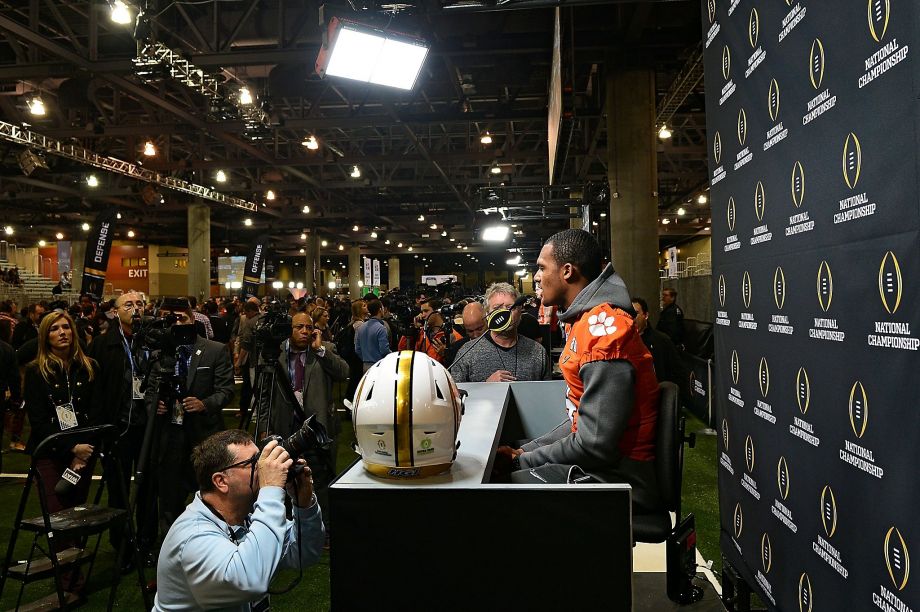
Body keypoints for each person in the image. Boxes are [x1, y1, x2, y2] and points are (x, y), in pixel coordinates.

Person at [500, 229, 659, 510]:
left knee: (499, 486)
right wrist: (524, 451)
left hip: (621, 477)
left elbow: (594, 444)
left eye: (541, 267)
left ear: (568, 272)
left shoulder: (603, 333)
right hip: (608, 465)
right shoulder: (586, 320)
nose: (536, 277)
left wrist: (519, 460)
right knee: (516, 451)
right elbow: (582, 422)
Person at [153, 431, 324, 612]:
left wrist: (303, 504)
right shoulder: (193, 539)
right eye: (253, 463)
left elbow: (306, 551)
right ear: (221, 481)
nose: (264, 467)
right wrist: (271, 490)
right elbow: (251, 580)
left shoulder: (244, 518)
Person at [22, 310, 99, 594]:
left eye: (66, 327)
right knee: (58, 518)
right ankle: (69, 584)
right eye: (54, 328)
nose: (62, 332)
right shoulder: (35, 371)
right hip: (49, 454)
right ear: (46, 336)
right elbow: (39, 421)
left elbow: (95, 413)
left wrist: (83, 452)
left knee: (78, 517)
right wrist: (71, 448)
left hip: (84, 456)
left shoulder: (89, 367)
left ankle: (73, 576)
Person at [148, 298, 236, 533]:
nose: (177, 324)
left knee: (212, 494)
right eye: (171, 319)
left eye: (182, 318)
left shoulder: (215, 349)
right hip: (170, 435)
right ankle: (171, 543)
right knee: (169, 497)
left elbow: (226, 390)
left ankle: (215, 540)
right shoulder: (158, 355)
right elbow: (148, 391)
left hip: (205, 435)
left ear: (192, 319)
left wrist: (204, 404)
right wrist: (154, 405)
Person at [87, 291, 158, 565]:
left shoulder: (153, 342)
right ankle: (123, 545)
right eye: (128, 304)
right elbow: (96, 392)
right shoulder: (103, 346)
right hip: (117, 429)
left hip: (148, 427)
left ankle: (146, 542)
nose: (136, 308)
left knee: (149, 489)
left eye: (140, 303)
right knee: (117, 491)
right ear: (115, 312)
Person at [256, 312, 348, 519]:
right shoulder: (273, 353)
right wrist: (263, 427)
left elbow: (343, 372)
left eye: (309, 327)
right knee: (283, 478)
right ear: (289, 329)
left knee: (320, 481)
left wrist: (321, 350)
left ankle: (322, 527)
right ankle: (287, 523)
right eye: (299, 327)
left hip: (317, 429)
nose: (305, 331)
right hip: (283, 428)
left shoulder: (325, 350)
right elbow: (263, 395)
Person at [451, 284, 551, 383]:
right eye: (497, 308)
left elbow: (547, 393)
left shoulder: (538, 351)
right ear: (487, 315)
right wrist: (485, 387)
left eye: (510, 307)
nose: (504, 313)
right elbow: (455, 395)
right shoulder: (467, 352)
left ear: (520, 311)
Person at [632, 296, 687, 399]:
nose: (632, 318)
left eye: (635, 313)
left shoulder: (662, 341)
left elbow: (679, 373)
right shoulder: (621, 343)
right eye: (629, 314)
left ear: (646, 315)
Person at [355, 300, 391, 371]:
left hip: (365, 365)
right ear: (380, 310)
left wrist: (366, 358)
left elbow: (357, 349)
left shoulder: (361, 328)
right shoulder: (381, 328)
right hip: (378, 365)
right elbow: (384, 350)